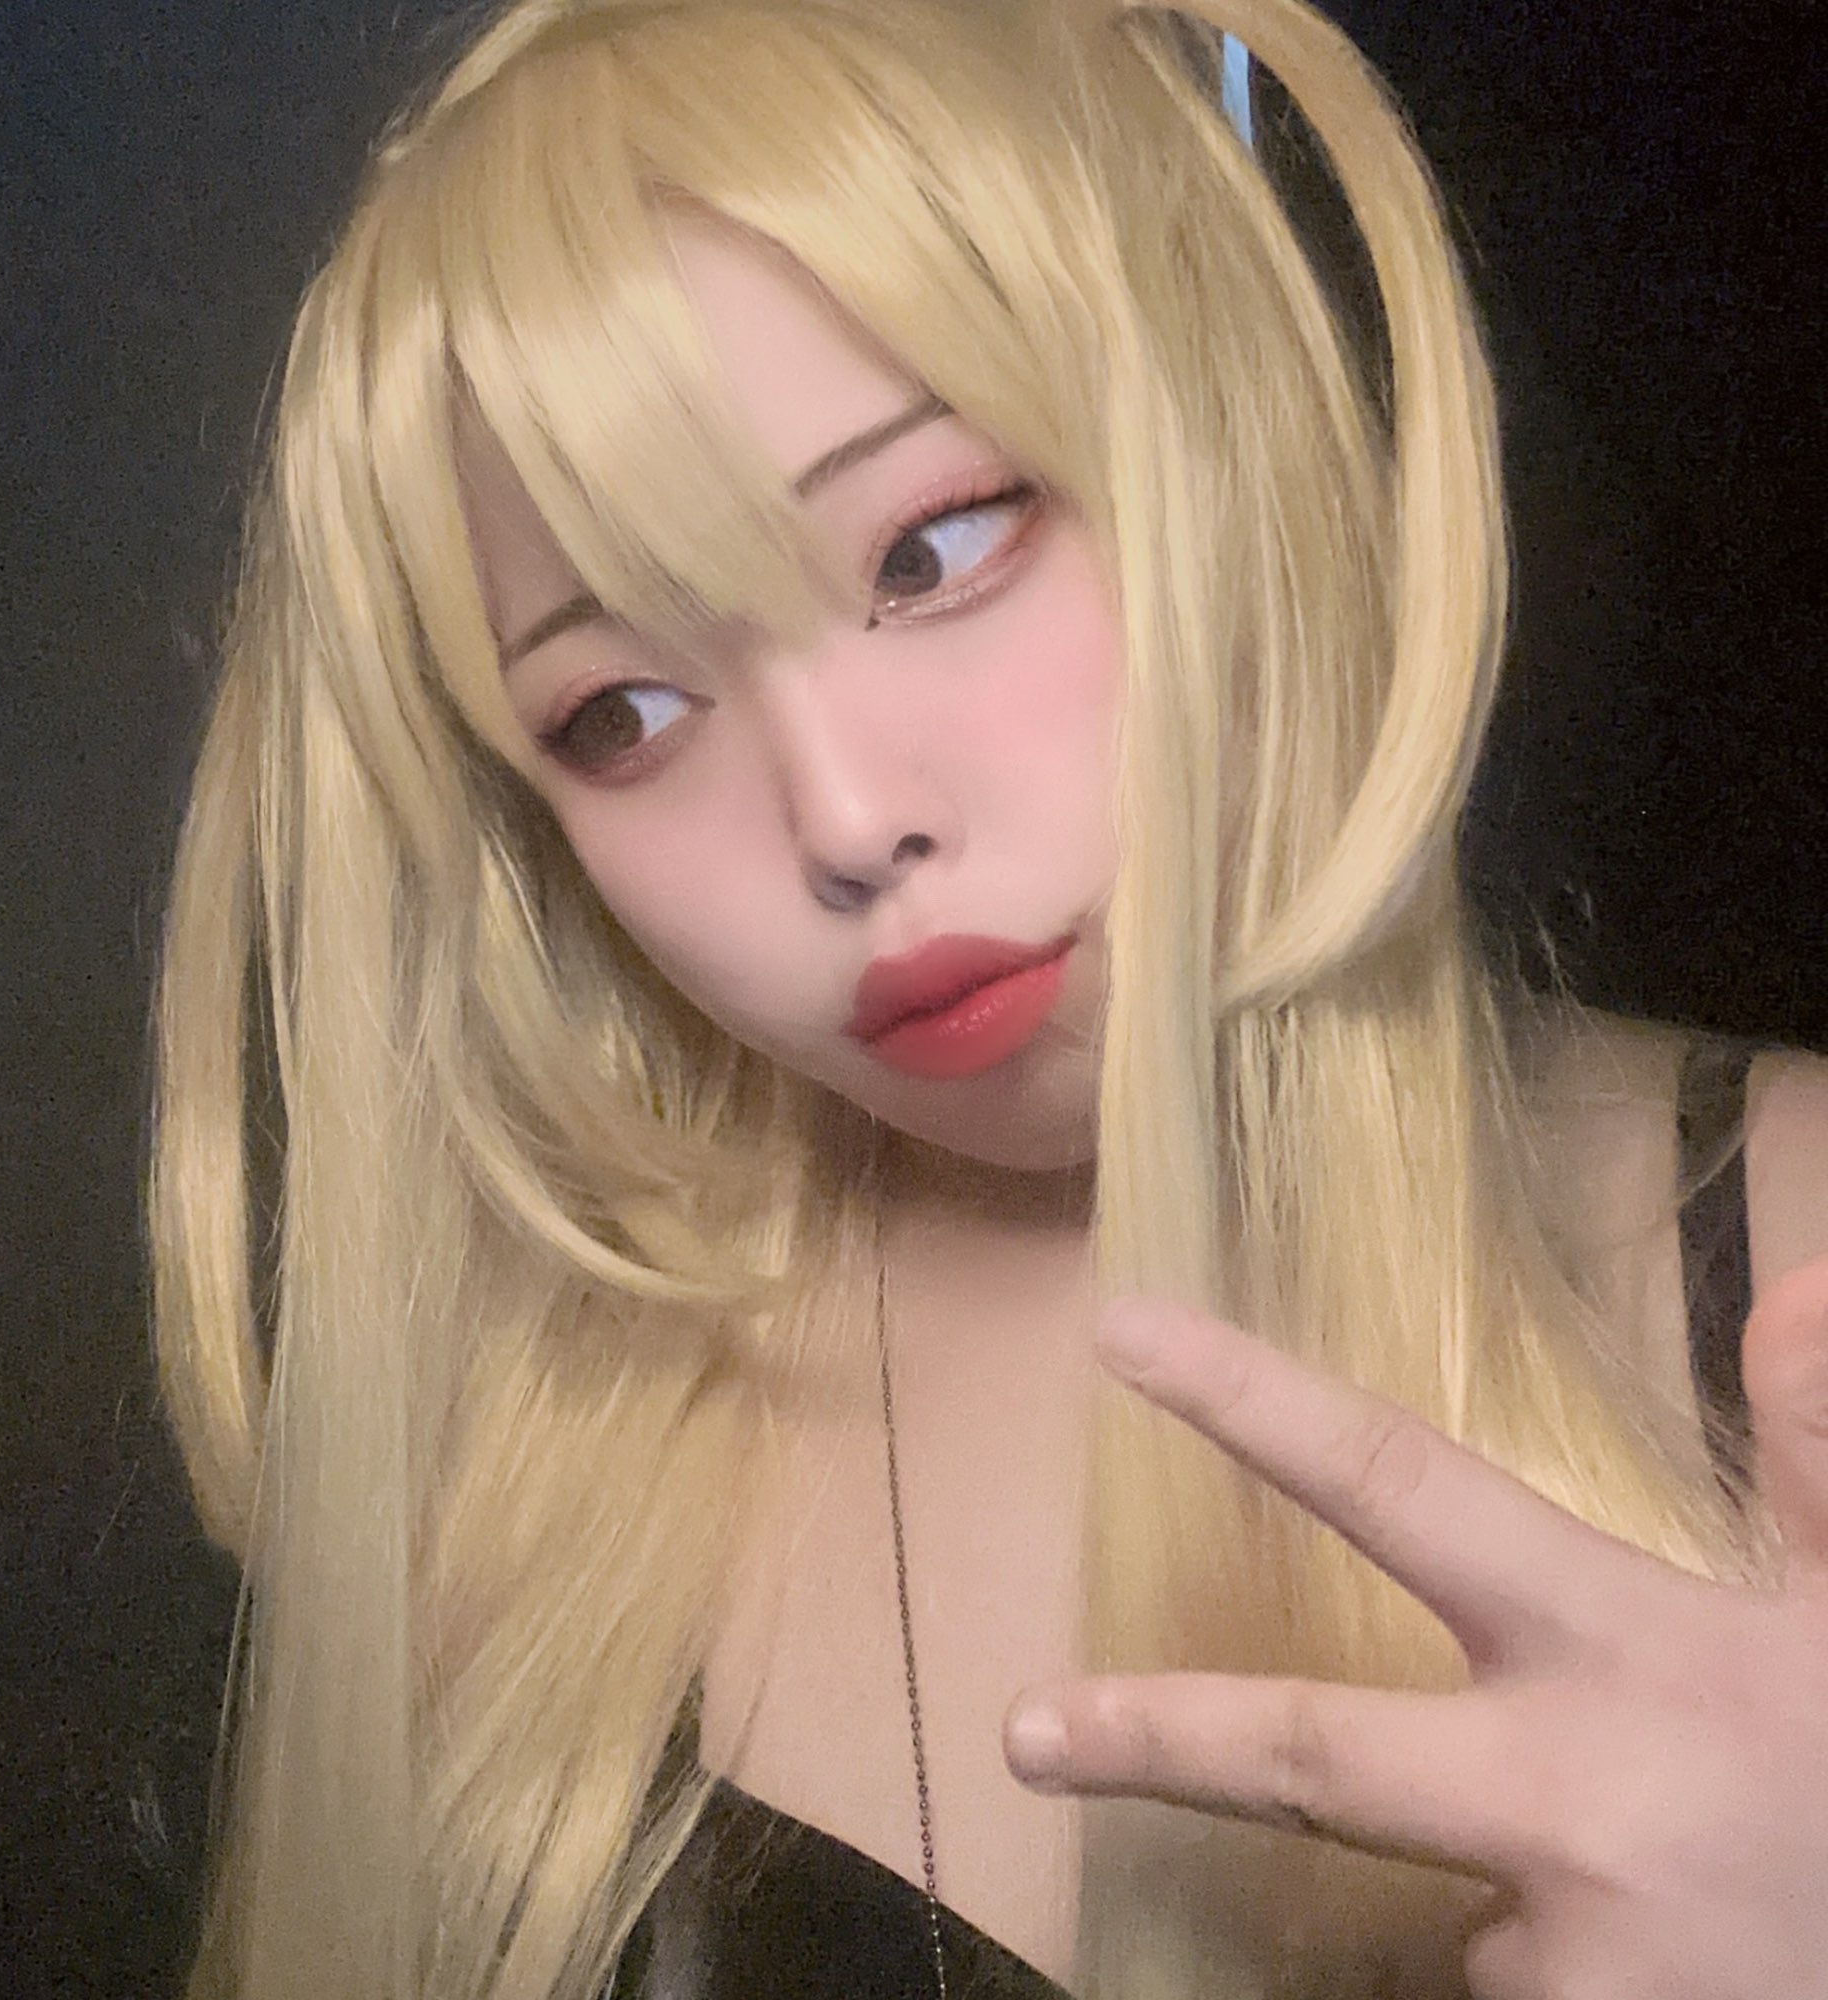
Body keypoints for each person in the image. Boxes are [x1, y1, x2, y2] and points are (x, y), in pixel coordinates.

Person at [149, 0, 1828, 1994]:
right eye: (619, 712)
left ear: (1220, 435)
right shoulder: (521, 1473)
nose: (848, 821)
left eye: (933, 546)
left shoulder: (1797, 1256)